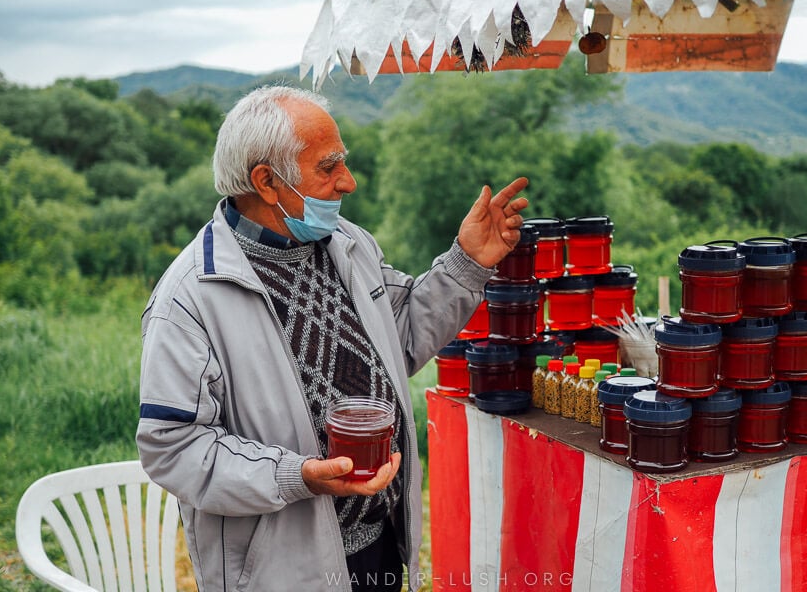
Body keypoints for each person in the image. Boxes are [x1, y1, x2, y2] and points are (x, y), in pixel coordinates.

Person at [136, 85, 528, 592]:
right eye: (329, 167)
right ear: (267, 181)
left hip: (380, 545)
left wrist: (467, 263)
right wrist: (296, 475)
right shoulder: (190, 299)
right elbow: (173, 448)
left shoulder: (348, 244)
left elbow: (401, 337)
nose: (349, 182)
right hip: (283, 571)